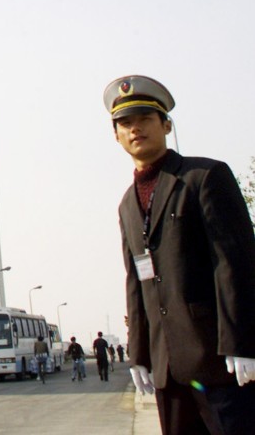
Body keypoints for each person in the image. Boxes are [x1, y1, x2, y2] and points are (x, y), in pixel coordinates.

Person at [104, 75, 255, 435]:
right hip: (167, 369)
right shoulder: (127, 203)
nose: (135, 128)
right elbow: (136, 282)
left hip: (219, 363)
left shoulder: (205, 176)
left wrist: (243, 341)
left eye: (144, 118)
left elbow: (234, 262)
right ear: (116, 135)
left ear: (166, 125)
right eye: (125, 123)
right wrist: (139, 354)